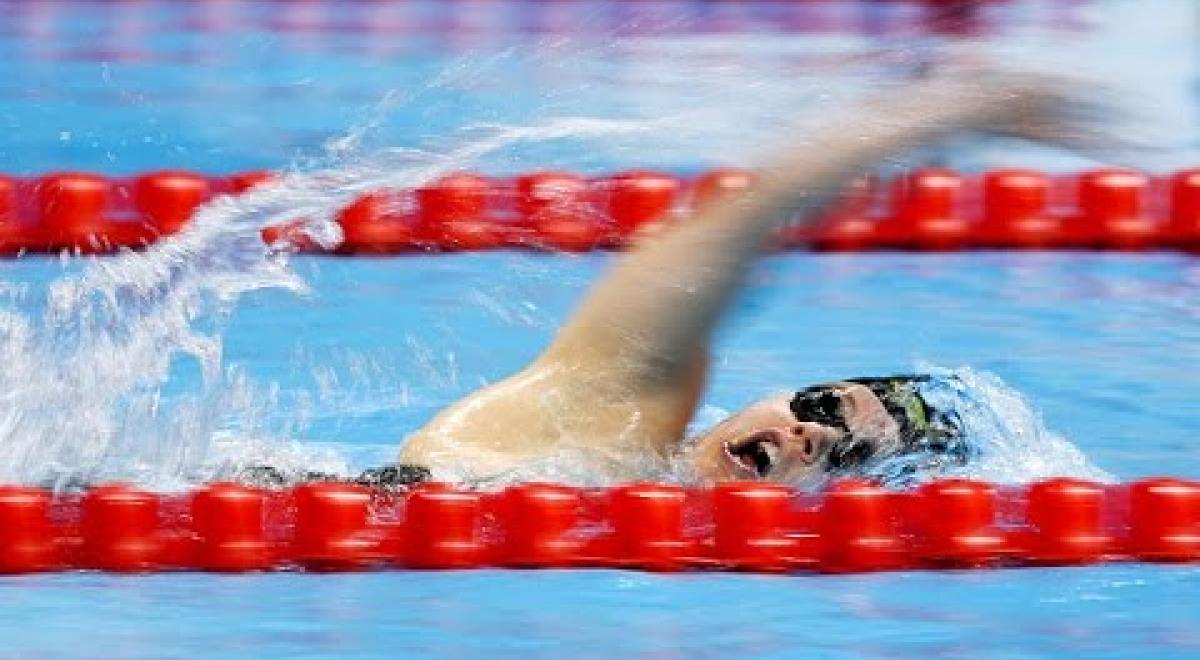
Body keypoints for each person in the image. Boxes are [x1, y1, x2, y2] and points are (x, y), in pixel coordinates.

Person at [254, 70, 1111, 490]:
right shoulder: (616, 402)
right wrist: (954, 110)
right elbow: (751, 215)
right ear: (774, 394)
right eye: (819, 408)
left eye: (842, 454)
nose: (811, 436)